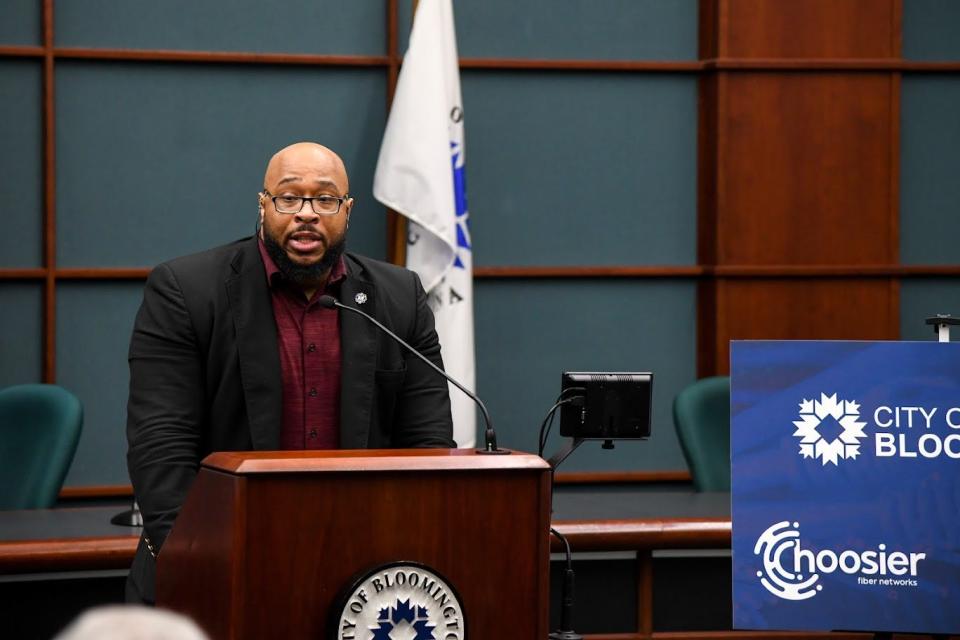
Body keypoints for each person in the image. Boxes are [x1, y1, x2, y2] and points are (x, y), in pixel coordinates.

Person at [125, 142, 454, 604]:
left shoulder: (399, 297)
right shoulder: (186, 291)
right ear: (263, 205)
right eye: (288, 198)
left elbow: (428, 448)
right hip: (216, 567)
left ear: (347, 210)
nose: (306, 213)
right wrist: (199, 558)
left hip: (362, 579)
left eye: (324, 199)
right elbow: (161, 448)